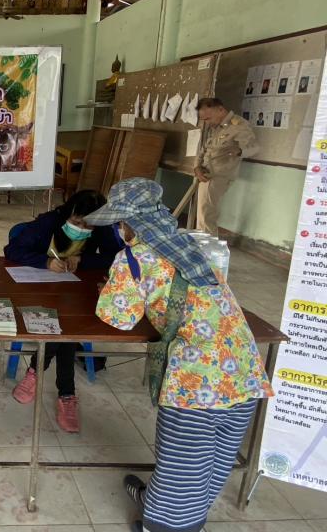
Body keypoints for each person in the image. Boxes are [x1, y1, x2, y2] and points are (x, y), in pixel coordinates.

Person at [87, 177, 273, 532]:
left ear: (130, 224)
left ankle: (162, 525)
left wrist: (110, 289)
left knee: (182, 468)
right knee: (215, 463)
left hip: (196, 380)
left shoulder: (133, 257)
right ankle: (167, 508)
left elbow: (119, 317)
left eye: (120, 223)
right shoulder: (191, 245)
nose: (119, 229)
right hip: (245, 371)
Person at [4, 190, 120, 433]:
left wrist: (83, 260)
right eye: (77, 222)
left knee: (64, 326)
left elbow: (115, 257)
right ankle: (66, 394)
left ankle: (36, 372)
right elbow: (12, 250)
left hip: (75, 292)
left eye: (88, 225)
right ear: (68, 213)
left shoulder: (101, 228)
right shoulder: (49, 222)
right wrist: (45, 262)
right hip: (38, 291)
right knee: (64, 329)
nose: (82, 228)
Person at [194, 98, 258, 236]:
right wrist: (197, 167)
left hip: (218, 176)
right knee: (203, 215)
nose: (207, 122)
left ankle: (206, 246)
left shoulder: (239, 125)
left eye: (208, 118)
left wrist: (239, 151)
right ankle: (203, 243)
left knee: (206, 217)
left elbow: (254, 148)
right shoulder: (217, 126)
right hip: (205, 174)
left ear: (220, 110)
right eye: (204, 119)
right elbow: (204, 148)